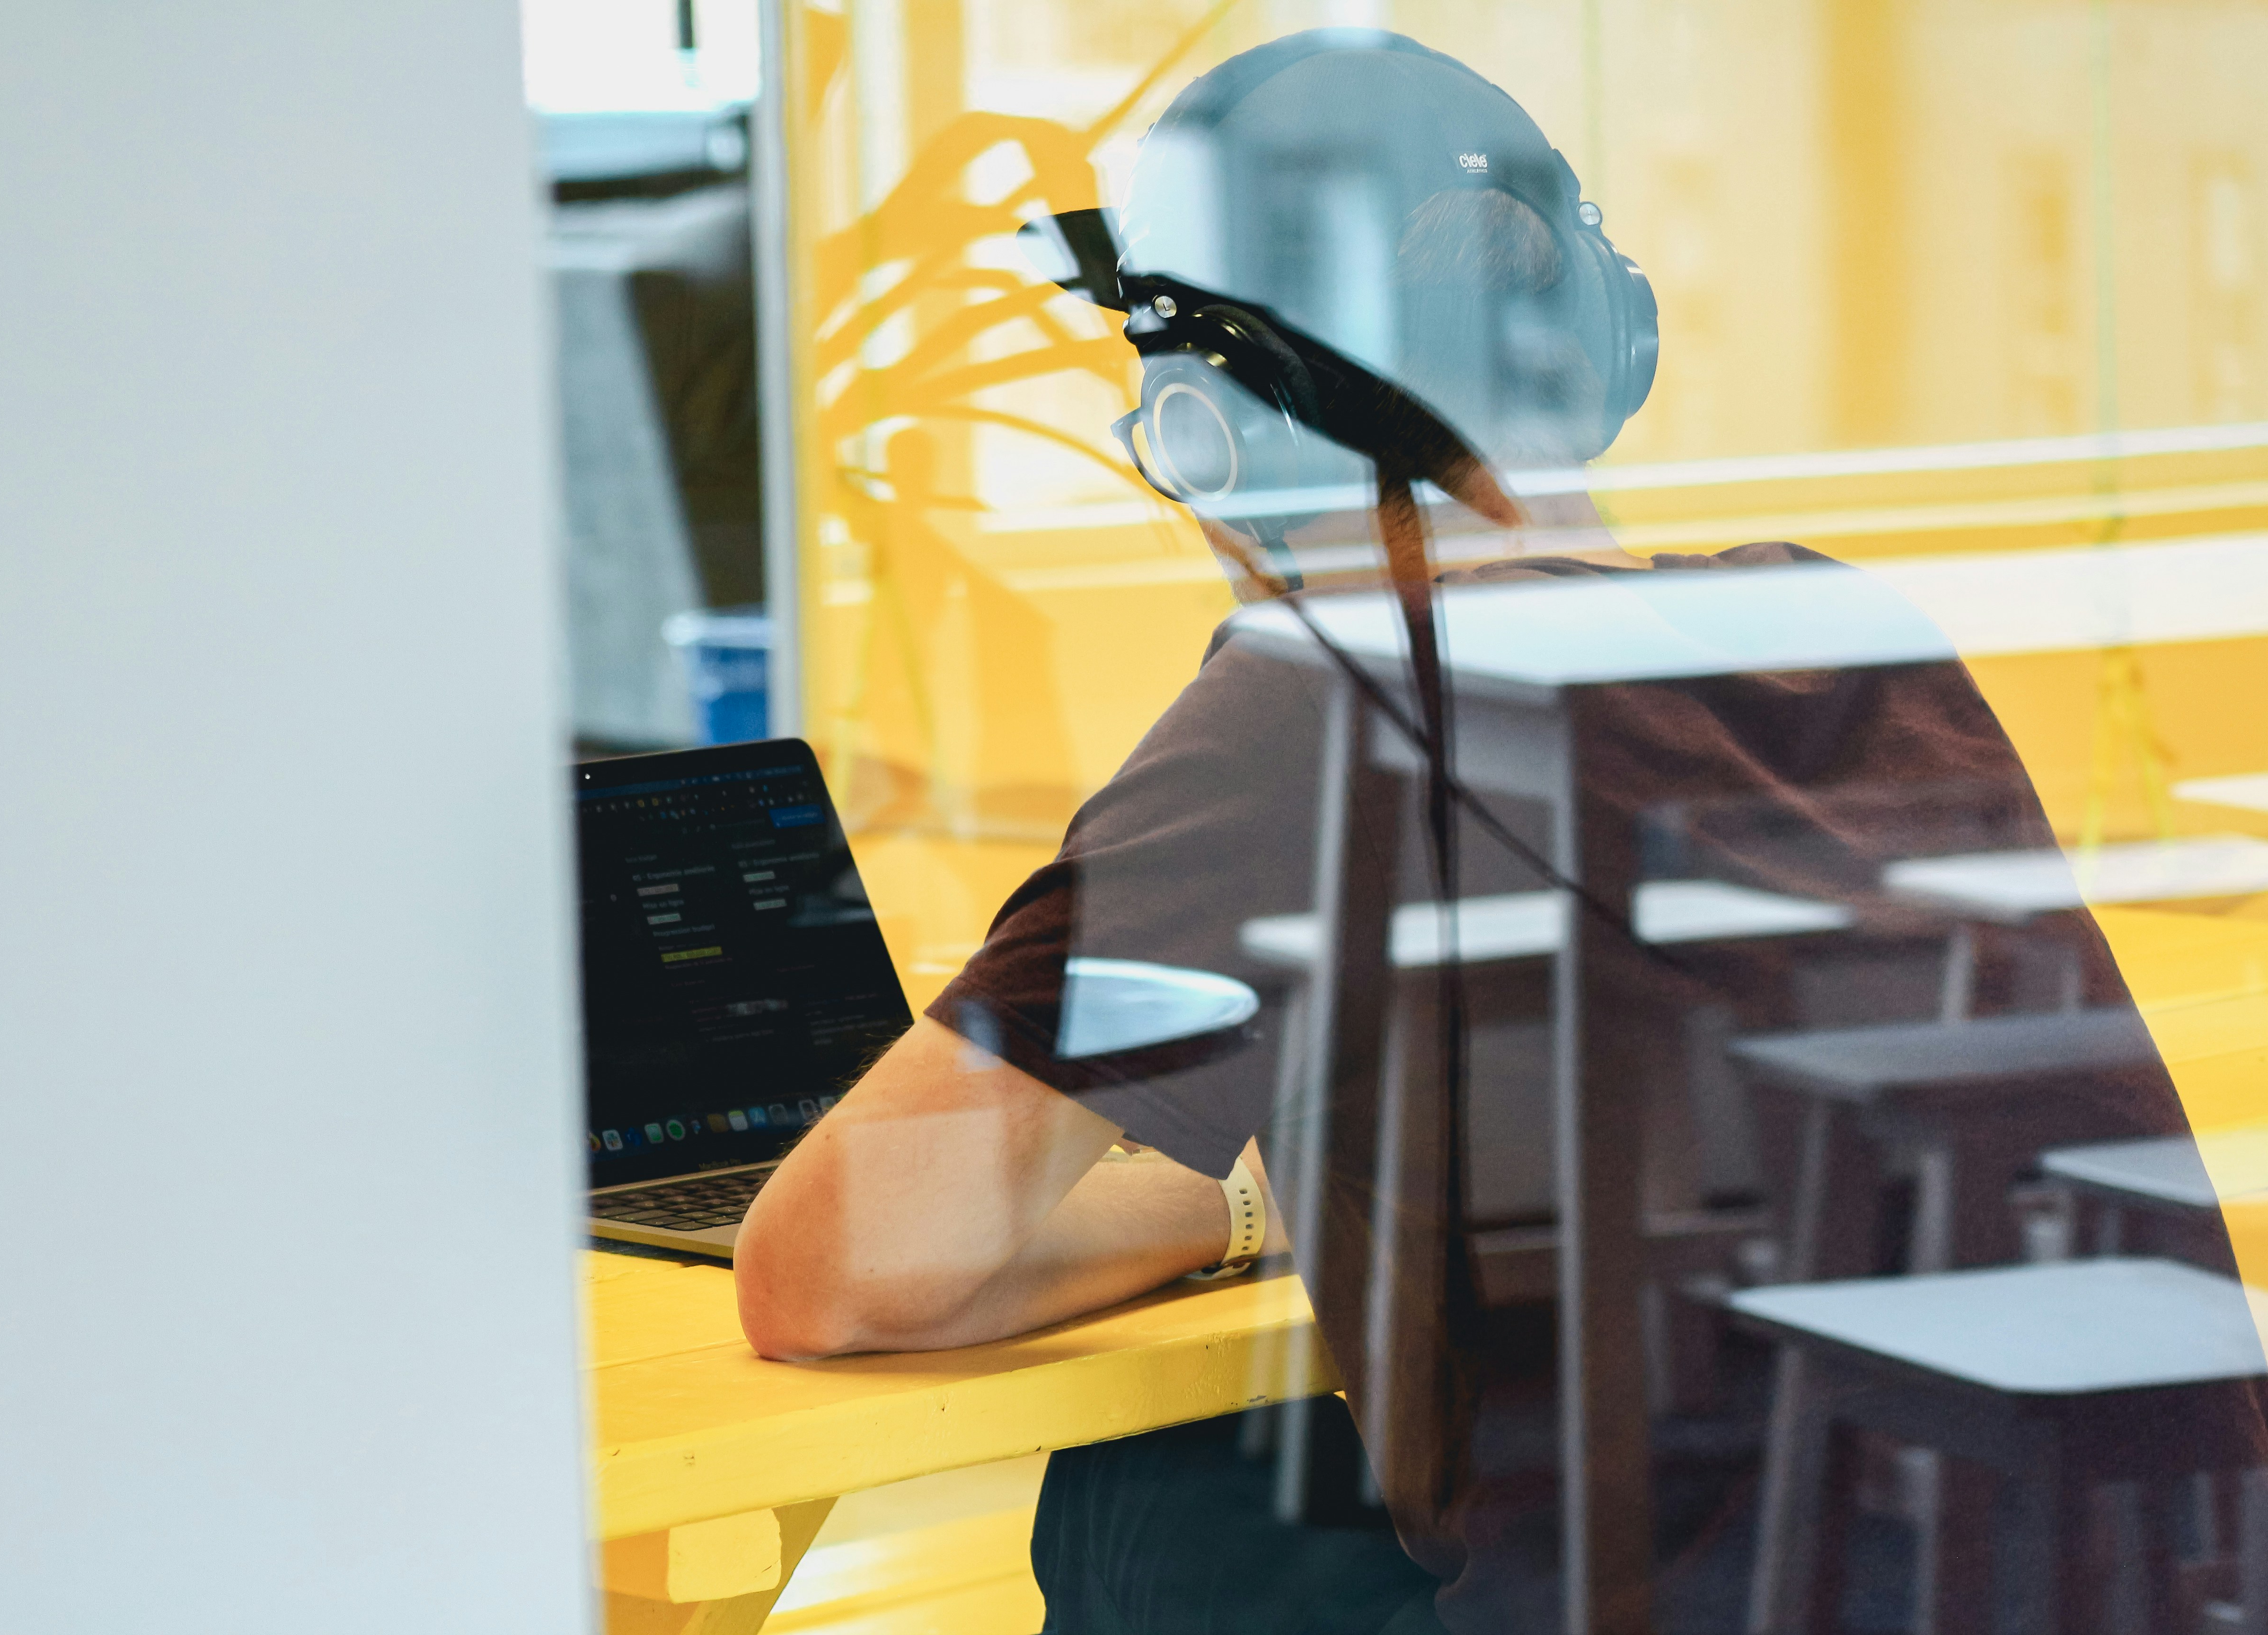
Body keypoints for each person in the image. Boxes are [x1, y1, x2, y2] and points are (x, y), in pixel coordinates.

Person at [736, 30, 2243, 1635]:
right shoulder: (1842, 628)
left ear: (1208, 428)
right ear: (1597, 344)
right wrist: (1250, 1189)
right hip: (2153, 1590)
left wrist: (1201, 1194)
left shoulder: (1323, 711)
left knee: (1173, 1495)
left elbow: (821, 1275)